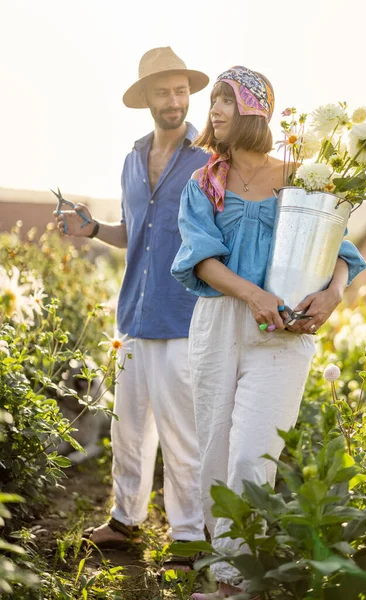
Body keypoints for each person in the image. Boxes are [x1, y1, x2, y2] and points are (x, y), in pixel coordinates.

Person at [171, 65, 366, 598]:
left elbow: (341, 252)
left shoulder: (302, 175)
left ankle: (239, 583)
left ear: (254, 110)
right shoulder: (204, 181)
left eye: (227, 101)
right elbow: (201, 260)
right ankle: (228, 570)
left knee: (252, 452)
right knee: (215, 449)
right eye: (213, 102)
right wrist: (254, 294)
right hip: (220, 323)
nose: (214, 111)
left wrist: (333, 294)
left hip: (284, 334)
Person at [54, 46, 210, 568]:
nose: (175, 100)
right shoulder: (130, 160)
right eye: (164, 91)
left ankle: (189, 535)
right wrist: (93, 229)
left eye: (182, 90)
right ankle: (125, 520)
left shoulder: (208, 159)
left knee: (181, 434)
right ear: (146, 98)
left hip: (183, 317)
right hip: (133, 318)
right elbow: (135, 233)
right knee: (129, 429)